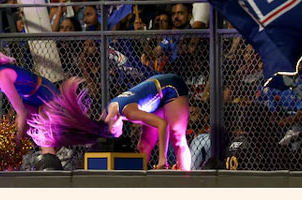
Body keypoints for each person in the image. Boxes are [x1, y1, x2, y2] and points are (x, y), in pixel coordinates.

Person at [28, 73, 191, 171]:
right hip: (155, 97)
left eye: (115, 136)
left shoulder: (128, 112)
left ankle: (186, 179)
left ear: (113, 129)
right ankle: (143, 182)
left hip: (170, 87)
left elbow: (163, 125)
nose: (119, 135)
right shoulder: (106, 115)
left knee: (178, 138)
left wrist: (163, 159)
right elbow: (93, 130)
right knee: (144, 146)